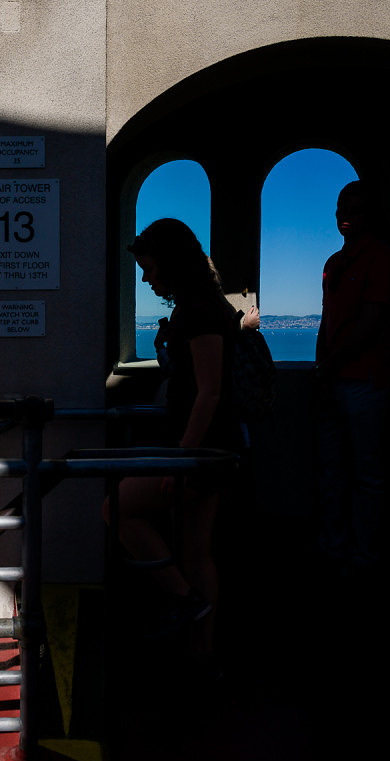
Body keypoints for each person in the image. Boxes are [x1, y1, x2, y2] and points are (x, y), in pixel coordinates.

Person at [105, 218, 241, 661]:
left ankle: (184, 601)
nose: (145, 278)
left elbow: (210, 390)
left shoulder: (199, 310)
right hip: (213, 449)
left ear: (171, 263)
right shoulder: (205, 304)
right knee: (198, 552)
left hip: (200, 453)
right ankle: (204, 658)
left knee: (116, 509)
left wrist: (180, 459)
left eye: (149, 267)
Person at [312, 180, 390, 576]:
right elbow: (327, 322)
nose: (344, 215)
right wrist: (324, 367)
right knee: (333, 470)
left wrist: (329, 365)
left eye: (355, 208)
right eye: (340, 207)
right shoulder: (334, 263)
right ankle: (337, 549)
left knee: (365, 473)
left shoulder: (382, 259)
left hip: (366, 381)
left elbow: (370, 323)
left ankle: (363, 555)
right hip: (338, 379)